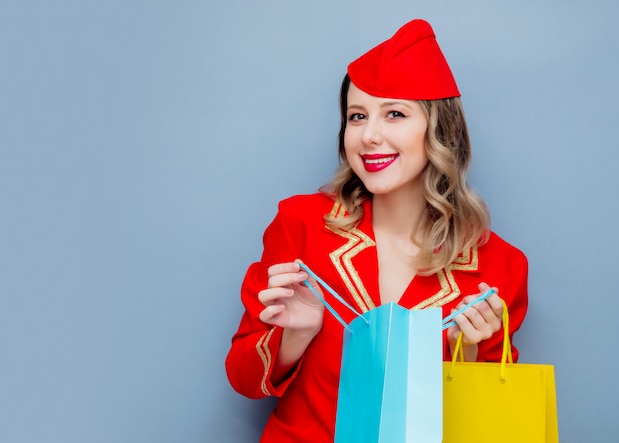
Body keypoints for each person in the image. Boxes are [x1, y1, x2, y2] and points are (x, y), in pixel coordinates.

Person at [225, 19, 528, 442]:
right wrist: (295, 335)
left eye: (395, 114)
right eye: (357, 116)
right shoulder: (301, 225)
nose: (369, 135)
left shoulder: (500, 267)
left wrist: (472, 351)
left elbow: (488, 422)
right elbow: (243, 379)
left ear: (441, 131)